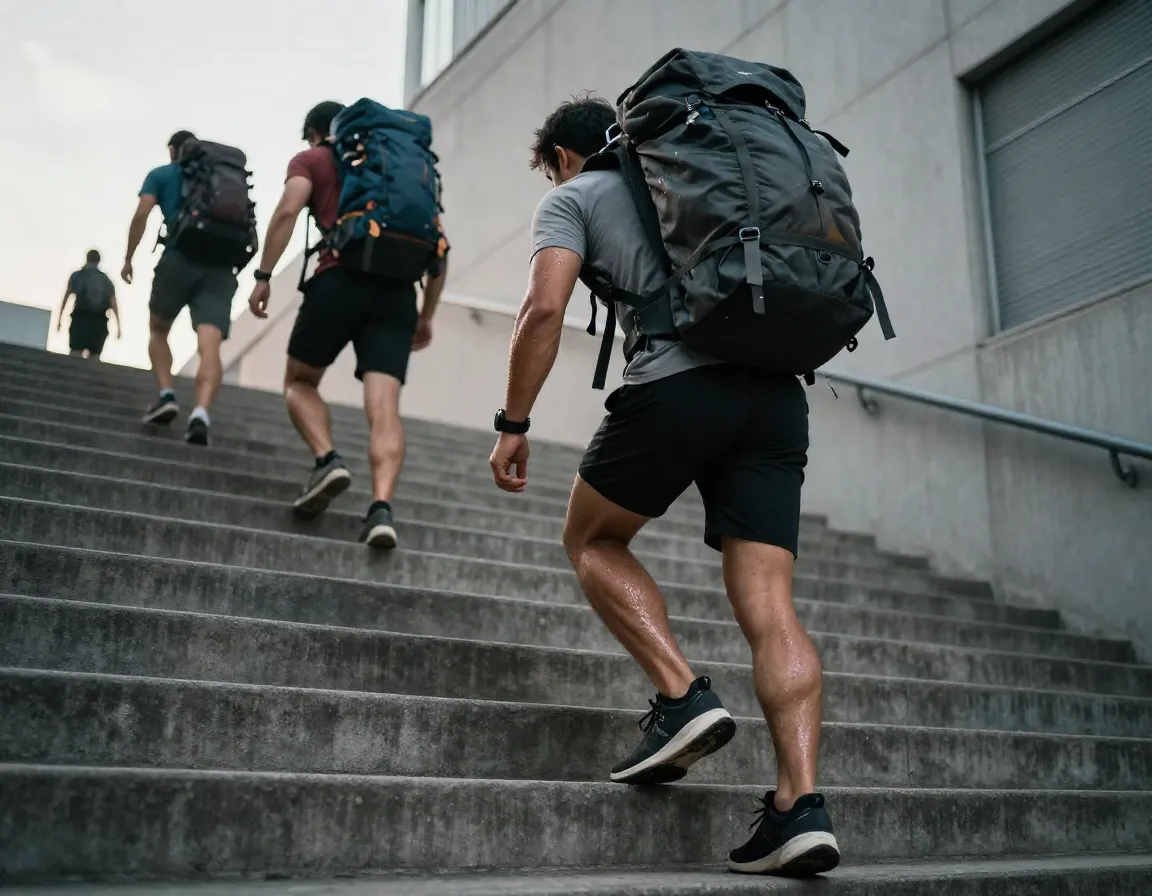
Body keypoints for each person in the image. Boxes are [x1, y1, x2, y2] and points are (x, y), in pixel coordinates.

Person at [488, 94, 839, 877]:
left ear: (563, 157)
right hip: (776, 395)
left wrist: (513, 422)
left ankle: (682, 698)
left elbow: (544, 309)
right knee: (771, 605)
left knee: (591, 538)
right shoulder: (698, 179)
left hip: (679, 383)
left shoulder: (574, 196)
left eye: (552, 168)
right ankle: (800, 806)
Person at [247, 101, 447, 548]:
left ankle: (328, 459)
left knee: (299, 381)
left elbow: (287, 210)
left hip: (338, 280)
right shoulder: (404, 167)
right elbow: (439, 250)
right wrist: (426, 316)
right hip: (397, 293)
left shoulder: (314, 158)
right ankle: (381, 509)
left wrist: (263, 276)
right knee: (385, 407)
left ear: (316, 132)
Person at [122, 130, 241, 445]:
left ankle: (166, 394)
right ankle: (201, 413)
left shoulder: (161, 175)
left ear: (174, 150)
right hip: (220, 267)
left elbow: (142, 214)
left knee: (158, 329)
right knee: (210, 345)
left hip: (178, 258)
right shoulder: (221, 177)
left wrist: (128, 258)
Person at [57, 249, 120, 360]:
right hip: (99, 321)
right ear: (99, 261)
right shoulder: (106, 280)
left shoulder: (77, 275)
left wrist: (59, 319)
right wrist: (119, 327)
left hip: (80, 318)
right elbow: (114, 304)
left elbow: (66, 297)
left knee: (75, 352)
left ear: (87, 258)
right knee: (95, 356)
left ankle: (73, 370)